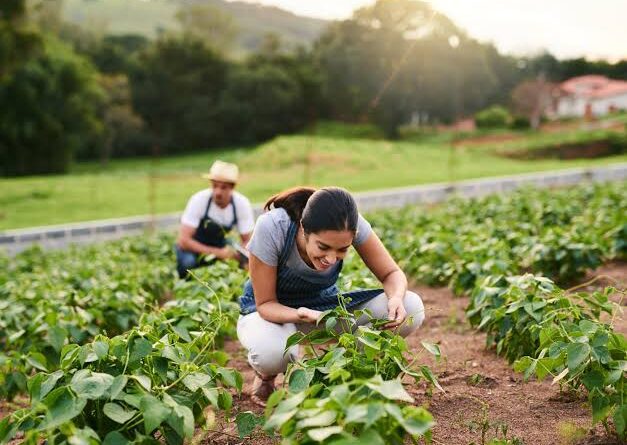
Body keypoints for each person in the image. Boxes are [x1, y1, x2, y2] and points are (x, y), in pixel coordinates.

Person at [237, 186, 426, 405]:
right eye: (323, 247)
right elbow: (266, 304)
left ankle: (349, 370)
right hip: (269, 312)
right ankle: (266, 377)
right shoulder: (272, 226)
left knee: (411, 306)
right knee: (272, 353)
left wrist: (394, 298)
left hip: (321, 308)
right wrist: (300, 314)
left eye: (342, 250)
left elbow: (391, 273)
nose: (330, 258)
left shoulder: (352, 224)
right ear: (303, 228)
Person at [175, 160, 255, 279]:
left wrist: (240, 256)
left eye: (223, 187)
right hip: (193, 247)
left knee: (238, 266)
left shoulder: (241, 204)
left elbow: (247, 241)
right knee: (188, 264)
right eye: (215, 186)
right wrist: (218, 253)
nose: (218, 192)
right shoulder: (199, 200)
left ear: (232, 187)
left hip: (220, 244)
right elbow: (184, 241)